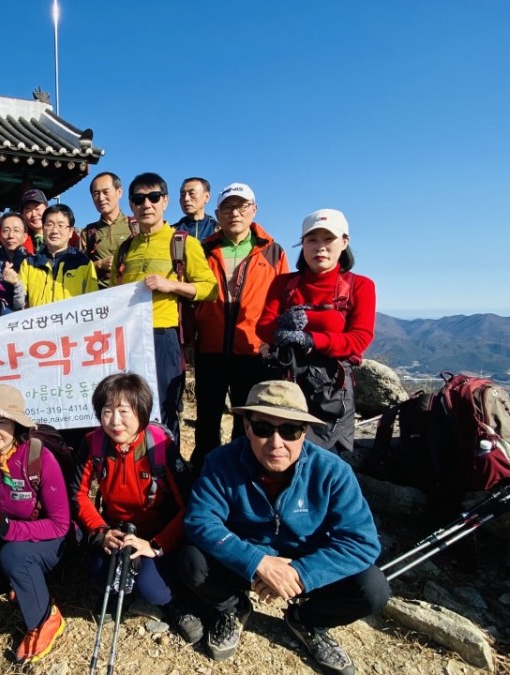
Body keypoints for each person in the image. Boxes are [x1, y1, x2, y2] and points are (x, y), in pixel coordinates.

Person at [181, 380, 389, 670]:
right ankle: (232, 608)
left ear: (304, 432)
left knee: (373, 588)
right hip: (246, 564)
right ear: (247, 426)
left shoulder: (332, 471)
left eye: (290, 430)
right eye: (263, 428)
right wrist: (258, 563)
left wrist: (300, 572)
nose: (276, 443)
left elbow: (362, 542)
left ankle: (307, 620)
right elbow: (200, 519)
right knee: (190, 559)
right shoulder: (221, 462)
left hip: (305, 564)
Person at [72, 373, 201, 643]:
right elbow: (78, 495)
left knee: (153, 590)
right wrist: (101, 531)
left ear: (141, 412)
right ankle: (118, 585)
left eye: (123, 411)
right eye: (107, 411)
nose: (114, 421)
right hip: (116, 530)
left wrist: (156, 545)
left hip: (157, 531)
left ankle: (176, 602)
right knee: (99, 573)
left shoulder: (160, 446)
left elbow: (189, 504)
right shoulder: (93, 443)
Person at [0, 385, 70, 663]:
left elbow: (60, 525)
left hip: (47, 542)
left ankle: (45, 619)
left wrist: (11, 529)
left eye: (2, 422)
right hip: (5, 539)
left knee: (13, 555)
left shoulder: (38, 458)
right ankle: (19, 582)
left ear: (17, 424)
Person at [257, 209, 375, 455]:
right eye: (312, 239)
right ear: (303, 244)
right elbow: (264, 326)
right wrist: (282, 327)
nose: (320, 247)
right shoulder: (284, 284)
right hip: (287, 379)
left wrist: (309, 339)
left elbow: (359, 338)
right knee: (282, 451)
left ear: (344, 242)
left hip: (332, 388)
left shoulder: (360, 285)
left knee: (327, 458)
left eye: (328, 239)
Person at [111, 172, 217, 443]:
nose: (146, 204)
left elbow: (210, 289)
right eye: (139, 199)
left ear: (165, 201)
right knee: (128, 405)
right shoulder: (124, 250)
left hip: (163, 335)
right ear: (131, 205)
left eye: (154, 197)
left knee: (166, 406)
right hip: (128, 338)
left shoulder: (183, 242)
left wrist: (172, 286)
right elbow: (113, 294)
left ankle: (168, 462)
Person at [190, 183, 288, 473]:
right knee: (207, 419)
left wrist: (274, 341)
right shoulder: (204, 249)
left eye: (241, 206)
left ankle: (242, 475)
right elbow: (191, 298)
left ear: (253, 210)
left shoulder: (272, 251)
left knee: (247, 420)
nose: (235, 213)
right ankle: (205, 475)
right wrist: (190, 340)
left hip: (254, 350)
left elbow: (282, 301)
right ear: (218, 213)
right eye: (228, 207)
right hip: (210, 348)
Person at [4, 204, 97, 310]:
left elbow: (93, 304)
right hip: (40, 320)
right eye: (49, 225)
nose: (54, 231)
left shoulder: (84, 264)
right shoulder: (29, 264)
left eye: (60, 225)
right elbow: (19, 305)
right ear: (43, 229)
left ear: (71, 232)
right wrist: (16, 284)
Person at [81, 172, 136, 288]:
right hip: (100, 295)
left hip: (131, 292)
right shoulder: (88, 233)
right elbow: (78, 270)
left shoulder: (136, 226)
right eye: (96, 194)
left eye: (106, 192)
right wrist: (99, 264)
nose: (101, 198)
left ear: (119, 192)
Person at [0, 213, 30, 283]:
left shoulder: (31, 261)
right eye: (6, 230)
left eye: (16, 230)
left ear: (24, 237)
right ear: (0, 236)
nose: (11, 235)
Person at [174, 177, 218, 242]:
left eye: (192, 193)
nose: (186, 199)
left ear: (206, 197)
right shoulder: (173, 231)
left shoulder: (219, 230)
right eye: (183, 195)